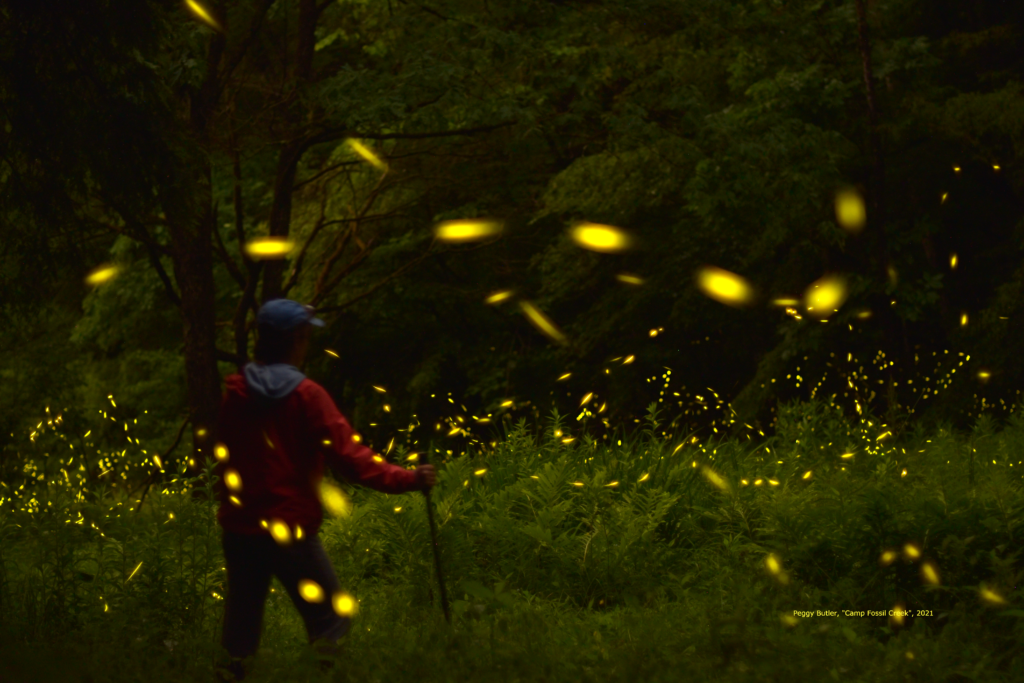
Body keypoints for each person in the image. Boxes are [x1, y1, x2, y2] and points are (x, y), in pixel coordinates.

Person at [212, 298, 437, 682]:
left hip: (240, 530)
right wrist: (409, 479)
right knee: (331, 618)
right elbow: (350, 459)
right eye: (304, 337)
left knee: (240, 635)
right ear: (296, 340)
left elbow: (222, 457)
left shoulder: (235, 394)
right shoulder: (307, 395)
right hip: (290, 530)